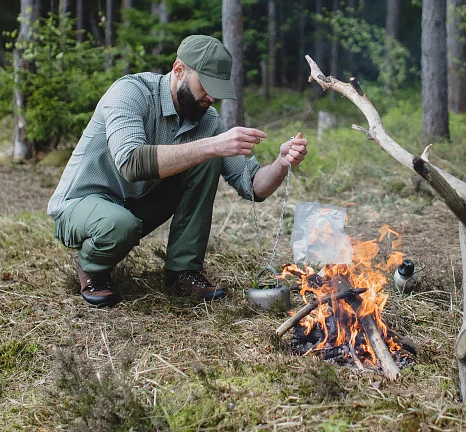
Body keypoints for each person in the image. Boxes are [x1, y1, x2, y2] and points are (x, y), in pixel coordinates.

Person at [47, 35, 308, 307]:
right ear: (179, 70)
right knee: (120, 223)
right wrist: (213, 144)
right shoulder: (129, 93)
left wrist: (281, 163)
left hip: (132, 206)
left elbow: (254, 187)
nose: (212, 97)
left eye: (218, 89)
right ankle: (91, 268)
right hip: (80, 204)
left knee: (208, 157)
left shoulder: (206, 119)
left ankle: (182, 270)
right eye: (206, 86)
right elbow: (132, 163)